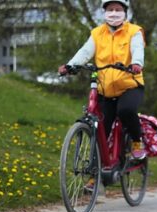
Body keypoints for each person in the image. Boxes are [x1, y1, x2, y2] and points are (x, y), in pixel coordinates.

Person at [58, 0, 147, 161]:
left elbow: (137, 48)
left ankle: (136, 141)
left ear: (125, 12)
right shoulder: (97, 33)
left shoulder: (134, 31)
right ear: (104, 12)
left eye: (118, 9)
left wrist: (136, 63)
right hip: (105, 89)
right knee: (100, 133)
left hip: (129, 85)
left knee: (125, 110)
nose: (114, 12)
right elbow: (85, 52)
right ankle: (95, 176)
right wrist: (70, 66)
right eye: (110, 9)